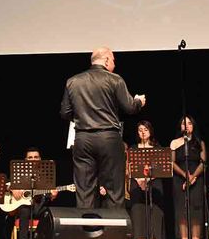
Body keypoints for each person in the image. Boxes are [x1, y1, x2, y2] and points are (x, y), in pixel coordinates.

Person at [60, 46, 146, 209]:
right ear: (106, 60)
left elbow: (65, 113)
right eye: (113, 60)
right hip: (109, 138)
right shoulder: (115, 79)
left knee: (84, 190)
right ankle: (113, 233)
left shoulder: (73, 81)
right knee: (114, 189)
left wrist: (83, 117)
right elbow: (129, 108)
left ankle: (86, 232)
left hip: (83, 138)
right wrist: (138, 102)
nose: (114, 63)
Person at [9, 147, 58, 239]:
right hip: (24, 208)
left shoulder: (46, 176)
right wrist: (12, 189)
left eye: (36, 157)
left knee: (49, 213)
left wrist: (52, 196)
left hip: (38, 208)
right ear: (26, 160)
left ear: (40, 159)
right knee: (24, 210)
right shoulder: (19, 175)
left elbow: (48, 196)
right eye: (30, 157)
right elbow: (5, 184)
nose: (33, 159)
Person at [128, 121, 166, 239]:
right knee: (139, 217)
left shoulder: (157, 147)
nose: (143, 132)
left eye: (145, 129)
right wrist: (139, 180)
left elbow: (162, 167)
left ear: (150, 131)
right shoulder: (133, 148)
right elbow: (128, 168)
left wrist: (149, 178)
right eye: (140, 130)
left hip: (154, 185)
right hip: (137, 185)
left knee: (154, 216)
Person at [170, 115, 206, 239]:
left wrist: (193, 177)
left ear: (193, 126)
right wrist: (186, 176)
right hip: (180, 178)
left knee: (196, 213)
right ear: (180, 127)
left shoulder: (199, 142)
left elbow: (203, 163)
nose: (187, 126)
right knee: (182, 213)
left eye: (190, 123)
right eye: (184, 124)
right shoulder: (174, 143)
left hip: (196, 178)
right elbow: (172, 163)